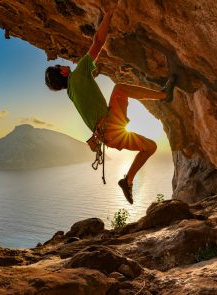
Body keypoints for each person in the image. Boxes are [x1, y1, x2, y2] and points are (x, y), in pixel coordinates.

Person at [45, 1, 177, 204]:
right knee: (120, 89)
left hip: (108, 136)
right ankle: (163, 95)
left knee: (150, 147)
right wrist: (107, 15)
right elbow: (97, 43)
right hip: (110, 126)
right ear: (63, 72)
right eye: (61, 65)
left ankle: (128, 180)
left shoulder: (71, 93)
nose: (64, 64)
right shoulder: (78, 74)